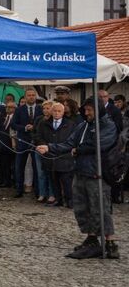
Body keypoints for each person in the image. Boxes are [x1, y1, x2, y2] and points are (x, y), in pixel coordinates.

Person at [37, 102, 119, 259]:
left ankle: (110, 243)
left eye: (90, 110)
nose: (86, 113)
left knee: (100, 209)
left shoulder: (108, 125)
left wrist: (78, 150)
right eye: (85, 110)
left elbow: (98, 144)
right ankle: (92, 239)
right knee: (82, 208)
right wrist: (49, 147)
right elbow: (69, 143)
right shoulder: (82, 126)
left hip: (97, 173)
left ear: (98, 110)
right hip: (80, 172)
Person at [38, 100, 76, 207]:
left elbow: (72, 141)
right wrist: (44, 146)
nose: (56, 113)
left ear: (63, 112)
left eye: (59, 111)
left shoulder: (70, 124)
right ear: (51, 111)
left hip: (64, 157)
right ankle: (58, 199)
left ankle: (70, 201)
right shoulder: (44, 123)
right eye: (54, 111)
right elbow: (38, 136)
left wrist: (58, 148)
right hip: (49, 156)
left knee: (66, 181)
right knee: (53, 180)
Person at [13, 88, 44, 198]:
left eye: (33, 95)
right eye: (29, 95)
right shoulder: (19, 110)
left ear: (35, 97)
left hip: (36, 141)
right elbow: (14, 124)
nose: (31, 97)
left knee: (37, 167)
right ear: (25, 97)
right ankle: (19, 189)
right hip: (22, 140)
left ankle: (38, 191)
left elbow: (43, 123)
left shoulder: (41, 109)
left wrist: (34, 127)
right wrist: (24, 128)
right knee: (19, 166)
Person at [0, 104, 17, 189]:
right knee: (4, 164)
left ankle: (12, 181)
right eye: (7, 107)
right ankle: (5, 180)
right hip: (3, 145)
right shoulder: (3, 118)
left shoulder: (15, 118)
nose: (7, 109)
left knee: (12, 165)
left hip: (11, 145)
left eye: (10, 107)